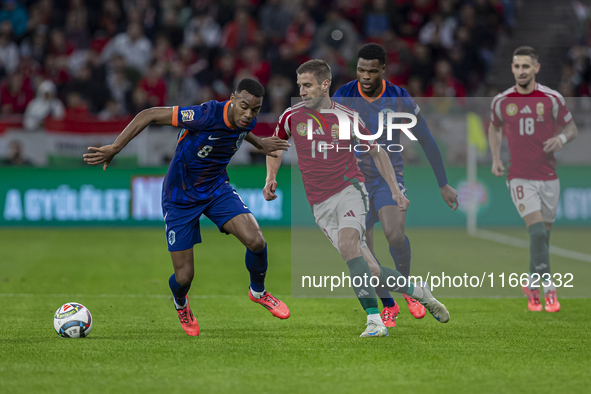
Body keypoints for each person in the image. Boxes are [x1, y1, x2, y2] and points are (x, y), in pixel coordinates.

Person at [83, 79, 292, 336]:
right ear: (232, 99)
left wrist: (260, 144)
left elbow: (238, 130)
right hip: (179, 196)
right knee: (184, 277)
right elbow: (148, 115)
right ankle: (181, 303)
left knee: (256, 241)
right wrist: (115, 147)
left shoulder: (246, 119)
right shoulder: (204, 114)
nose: (249, 114)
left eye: (255, 110)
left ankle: (258, 292)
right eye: (244, 106)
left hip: (216, 189)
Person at [264, 59, 450, 338]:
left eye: (307, 85)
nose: (301, 91)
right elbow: (275, 146)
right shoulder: (291, 117)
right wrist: (270, 177)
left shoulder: (347, 117)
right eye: (300, 85)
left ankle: (374, 321)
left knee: (349, 247)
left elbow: (377, 152)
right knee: (370, 269)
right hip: (319, 204)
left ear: (325, 85)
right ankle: (419, 291)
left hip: (351, 191)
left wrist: (396, 190)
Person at [332, 43, 459, 327]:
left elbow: (425, 138)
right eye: (361, 69)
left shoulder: (400, 98)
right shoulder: (343, 96)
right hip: (355, 182)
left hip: (389, 178)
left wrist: (443, 184)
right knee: (365, 251)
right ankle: (389, 304)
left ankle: (408, 289)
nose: (365, 75)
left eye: (371, 71)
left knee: (395, 235)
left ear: (383, 70)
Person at [489, 46, 578, 313]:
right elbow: (494, 127)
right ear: (512, 68)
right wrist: (495, 158)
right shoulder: (502, 101)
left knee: (542, 239)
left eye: (526, 66)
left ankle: (530, 282)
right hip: (519, 177)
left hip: (549, 177)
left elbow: (571, 128)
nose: (521, 71)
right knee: (537, 231)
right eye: (517, 66)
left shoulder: (551, 98)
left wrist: (560, 139)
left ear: (536, 68)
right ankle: (549, 289)